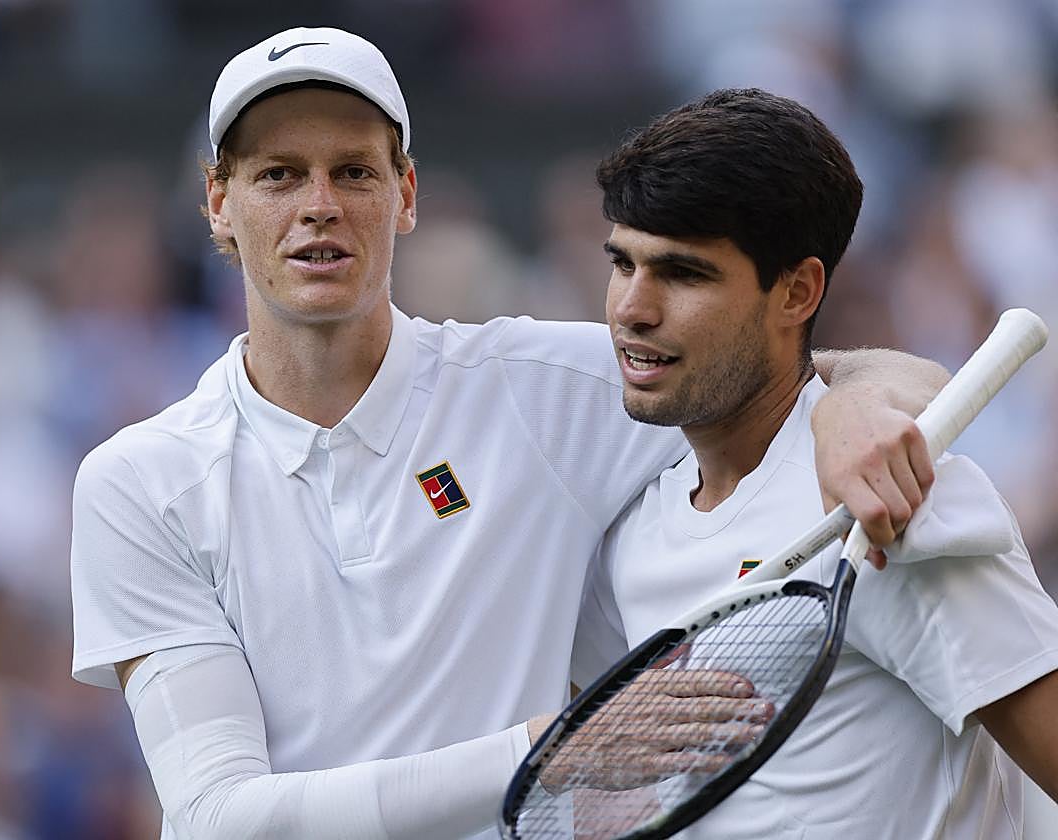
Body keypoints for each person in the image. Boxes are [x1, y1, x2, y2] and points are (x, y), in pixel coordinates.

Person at [69, 28, 949, 839]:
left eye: (355, 173)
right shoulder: (140, 484)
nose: (320, 206)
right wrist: (551, 745)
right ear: (218, 203)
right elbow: (219, 820)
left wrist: (850, 409)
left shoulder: (546, 389)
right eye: (278, 176)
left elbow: (812, 370)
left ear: (405, 195)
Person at [574, 87, 1058, 837]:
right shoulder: (634, 522)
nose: (632, 308)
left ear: (797, 290)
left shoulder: (899, 506)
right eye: (622, 263)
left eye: (684, 273)